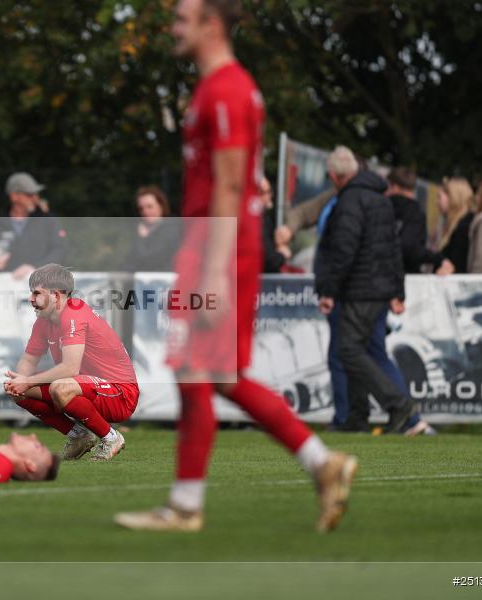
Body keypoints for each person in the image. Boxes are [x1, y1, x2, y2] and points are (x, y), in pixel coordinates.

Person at [114, 0, 356, 534]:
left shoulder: (224, 90)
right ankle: (321, 464)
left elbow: (227, 184)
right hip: (216, 244)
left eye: (182, 17)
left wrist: (214, 271)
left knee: (200, 371)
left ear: (212, 24)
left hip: (215, 248)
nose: (173, 27)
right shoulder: (220, 88)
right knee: (216, 375)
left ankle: (185, 506)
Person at [314, 146, 416, 432]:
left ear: (335, 176)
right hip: (379, 289)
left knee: (348, 350)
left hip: (359, 288)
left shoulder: (349, 202)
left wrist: (329, 290)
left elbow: (343, 250)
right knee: (358, 349)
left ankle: (397, 404)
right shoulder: (381, 200)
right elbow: (393, 249)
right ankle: (357, 417)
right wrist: (398, 290)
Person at [5, 264, 139, 462]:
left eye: (36, 293)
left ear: (56, 296)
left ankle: (111, 438)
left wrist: (29, 380)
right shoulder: (44, 319)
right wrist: (20, 380)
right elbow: (28, 359)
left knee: (61, 387)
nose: (31, 299)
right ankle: (79, 436)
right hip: (85, 387)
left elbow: (70, 368)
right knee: (18, 391)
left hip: (121, 395)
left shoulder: (73, 314)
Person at [0, 172, 66, 280]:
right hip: (5, 289)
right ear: (14, 196)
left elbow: (60, 251)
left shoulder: (48, 220)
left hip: (43, 287)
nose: (35, 198)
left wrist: (35, 269)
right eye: (29, 194)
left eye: (36, 194)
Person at [386, 167, 440, 274]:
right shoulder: (416, 213)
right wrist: (437, 258)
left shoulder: (380, 208)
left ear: (395, 186)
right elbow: (412, 248)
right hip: (407, 274)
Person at [123, 185, 181, 272]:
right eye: (141, 209)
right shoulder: (143, 229)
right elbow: (130, 261)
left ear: (161, 206)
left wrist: (142, 239)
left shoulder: (171, 228)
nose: (145, 212)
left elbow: (150, 259)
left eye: (150, 206)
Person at [433, 177, 475, 275]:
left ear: (453, 197)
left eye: (439, 197)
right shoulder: (458, 224)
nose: (436, 202)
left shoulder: (464, 227)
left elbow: (457, 266)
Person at [259, 176, 290, 273]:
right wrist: (282, 255)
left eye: (270, 191)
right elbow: (268, 260)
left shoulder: (264, 219)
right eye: (267, 192)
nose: (270, 195)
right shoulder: (260, 222)